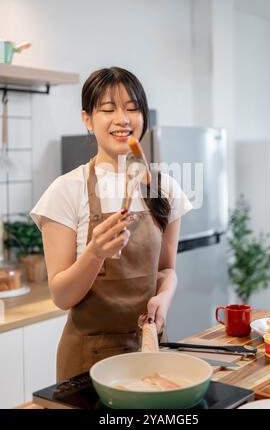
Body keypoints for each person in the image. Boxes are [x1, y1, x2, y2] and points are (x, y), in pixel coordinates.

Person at [30, 67, 193, 381]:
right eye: (108, 109)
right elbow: (61, 296)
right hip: (86, 363)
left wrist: (163, 297)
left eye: (133, 108)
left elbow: (166, 270)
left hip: (149, 350)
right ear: (87, 119)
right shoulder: (66, 190)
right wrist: (95, 252)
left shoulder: (164, 188)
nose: (123, 119)